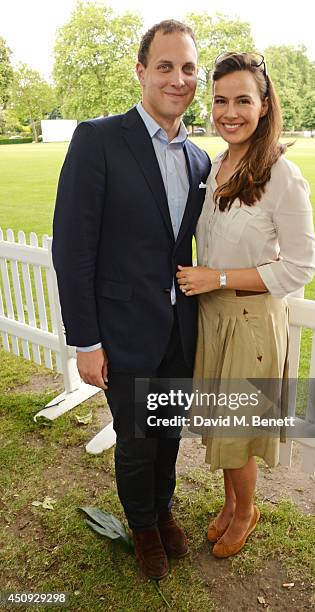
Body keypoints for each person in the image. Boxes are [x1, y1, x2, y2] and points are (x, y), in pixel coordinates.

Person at [52, 20, 211, 580]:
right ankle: (142, 527)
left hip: (177, 330)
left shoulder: (198, 161)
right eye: (165, 66)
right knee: (136, 438)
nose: (178, 78)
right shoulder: (99, 139)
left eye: (188, 68)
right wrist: (86, 342)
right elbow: (72, 248)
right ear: (141, 71)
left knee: (167, 432)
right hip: (120, 333)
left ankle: (163, 507)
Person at [177, 52, 315, 558]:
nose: (229, 111)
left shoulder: (283, 175)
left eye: (242, 100)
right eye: (220, 100)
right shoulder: (214, 167)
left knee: (237, 430)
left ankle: (244, 512)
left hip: (251, 319)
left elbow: (300, 268)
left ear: (263, 105)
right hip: (213, 316)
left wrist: (214, 276)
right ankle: (233, 503)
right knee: (222, 423)